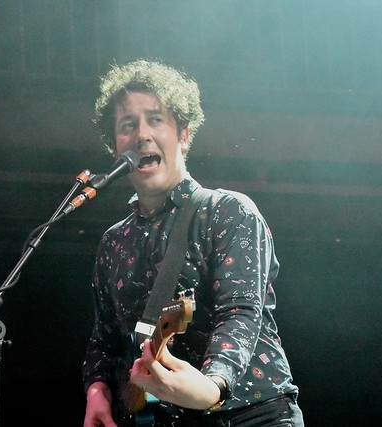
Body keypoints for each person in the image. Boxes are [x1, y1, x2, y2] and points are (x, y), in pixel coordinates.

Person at [81, 59, 304, 427]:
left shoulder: (228, 212)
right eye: (128, 125)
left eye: (156, 119)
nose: (141, 134)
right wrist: (97, 392)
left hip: (248, 415)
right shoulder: (113, 243)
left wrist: (212, 385)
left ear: (183, 134)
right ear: (116, 146)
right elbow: (103, 341)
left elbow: (239, 313)